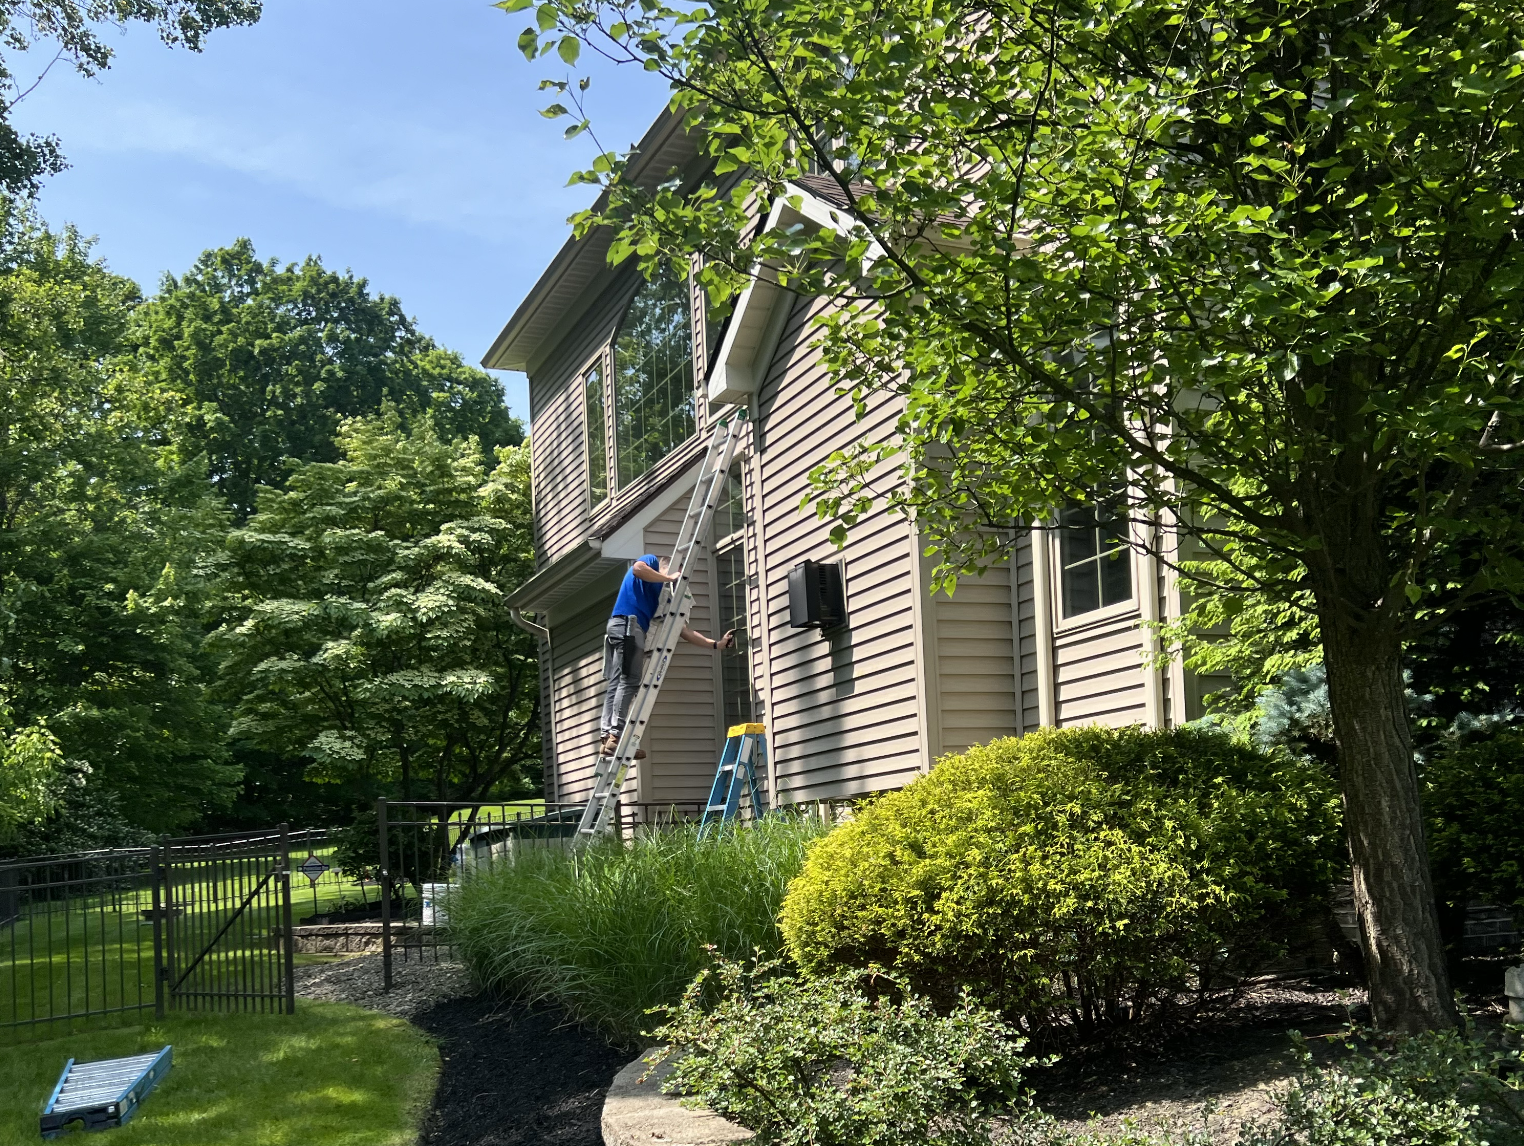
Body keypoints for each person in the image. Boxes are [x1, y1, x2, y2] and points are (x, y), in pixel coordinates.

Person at [602, 554, 734, 758]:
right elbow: (638, 568)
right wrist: (669, 577)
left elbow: (684, 630)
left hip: (621, 627)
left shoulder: (661, 592)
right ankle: (615, 737)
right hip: (629, 625)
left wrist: (716, 645)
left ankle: (608, 739)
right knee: (629, 681)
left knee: (618, 681)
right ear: (667, 566)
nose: (681, 575)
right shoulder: (651, 562)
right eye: (679, 569)